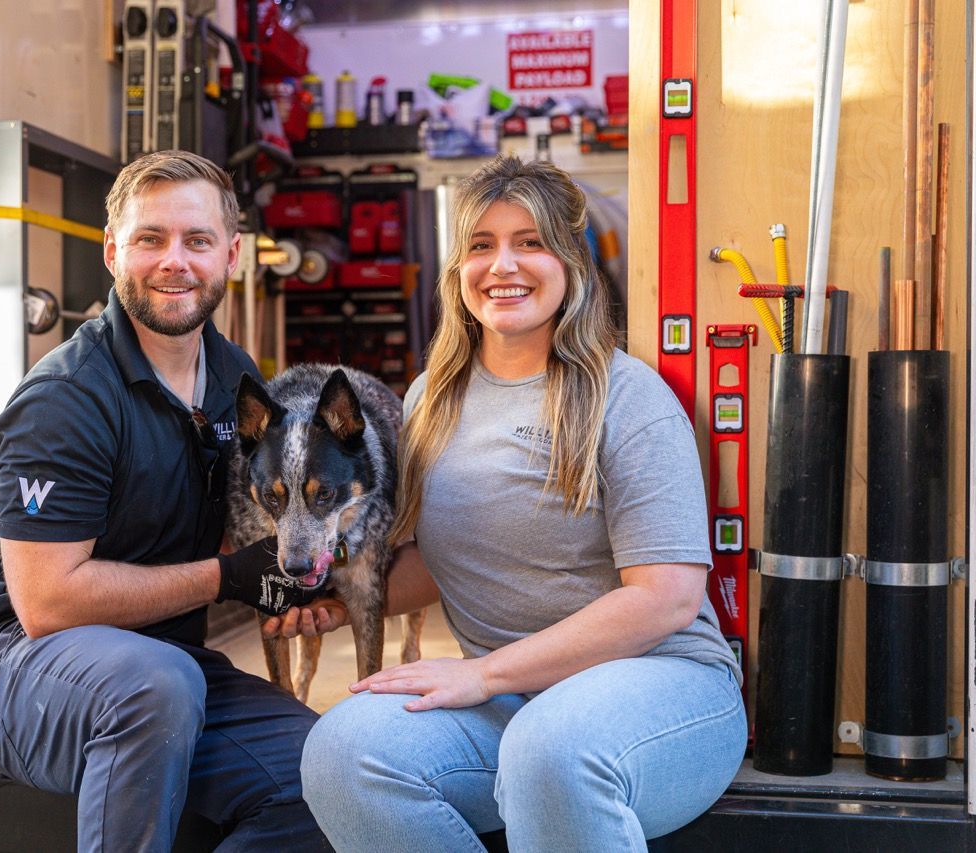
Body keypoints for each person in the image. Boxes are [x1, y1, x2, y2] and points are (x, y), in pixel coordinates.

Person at [284, 156, 747, 851]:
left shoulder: (628, 398)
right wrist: (339, 595)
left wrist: (482, 671)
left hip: (662, 688)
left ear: (571, 264)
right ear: (457, 271)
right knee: (344, 753)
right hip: (513, 702)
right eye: (481, 245)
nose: (504, 265)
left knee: (549, 750)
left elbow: (666, 600)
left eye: (530, 242)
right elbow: (450, 564)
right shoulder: (429, 402)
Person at [0, 149, 330, 852]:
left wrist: (308, 568)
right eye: (150, 238)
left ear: (233, 254)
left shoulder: (234, 376)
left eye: (197, 240)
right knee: (155, 684)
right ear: (113, 249)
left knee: (330, 776)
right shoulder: (67, 398)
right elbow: (48, 604)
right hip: (25, 666)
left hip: (166, 664)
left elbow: (262, 512)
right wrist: (228, 576)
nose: (173, 261)